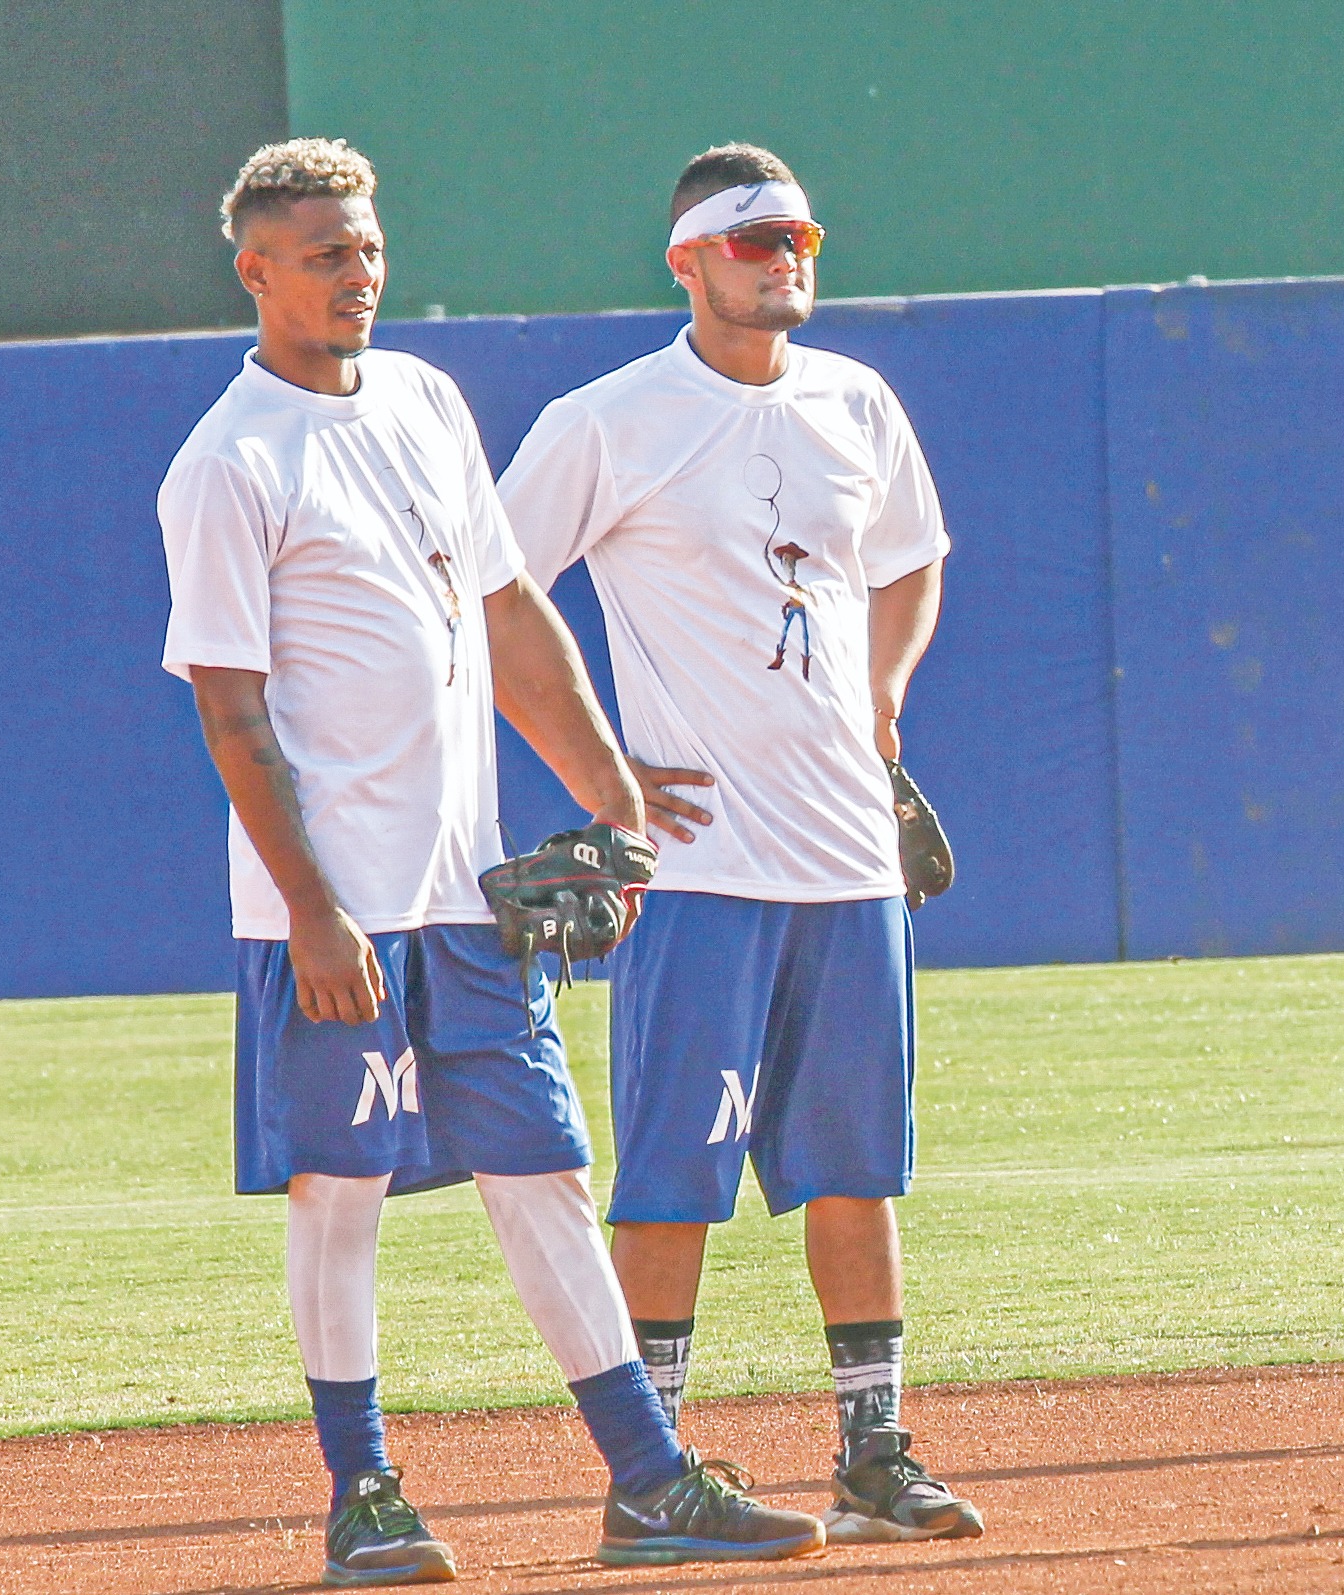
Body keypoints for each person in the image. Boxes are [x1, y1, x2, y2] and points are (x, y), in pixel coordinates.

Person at [159, 138, 824, 1584]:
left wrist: (610, 784)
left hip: (467, 893)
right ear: (256, 270)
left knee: (544, 1170)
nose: (358, 273)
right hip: (334, 912)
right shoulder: (229, 461)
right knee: (337, 1190)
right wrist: (316, 914)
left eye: (369, 245)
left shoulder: (424, 400)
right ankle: (365, 1494)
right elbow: (229, 705)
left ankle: (650, 1481)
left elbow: (512, 605)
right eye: (324, 253)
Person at [496, 142, 981, 1544]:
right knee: (671, 1173)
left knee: (856, 1165)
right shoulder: (612, 419)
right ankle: (649, 1470)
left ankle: (873, 1448)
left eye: (801, 239)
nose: (788, 259)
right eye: (758, 240)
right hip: (699, 865)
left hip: (847, 854)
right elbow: (486, 593)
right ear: (690, 261)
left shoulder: (856, 402)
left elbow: (912, 556)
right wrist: (602, 774)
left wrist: (885, 691)